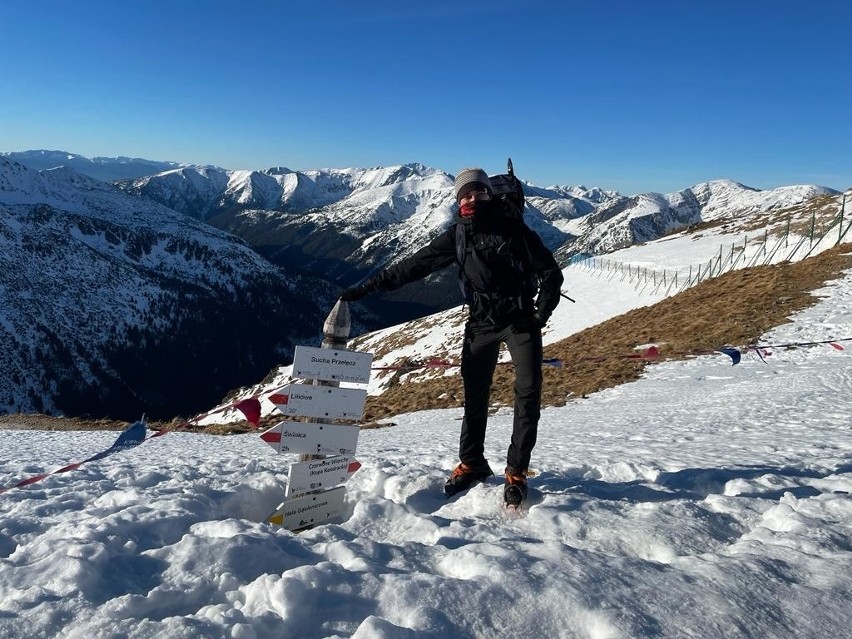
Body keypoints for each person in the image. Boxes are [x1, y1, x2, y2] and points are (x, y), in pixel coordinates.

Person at [340, 167, 564, 506]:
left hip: (520, 323)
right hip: (480, 323)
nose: (473, 198)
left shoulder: (514, 229)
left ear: (490, 194)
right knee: (475, 397)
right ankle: (472, 463)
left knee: (527, 397)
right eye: (466, 194)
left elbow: (551, 273)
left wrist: (539, 315)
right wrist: (362, 291)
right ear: (458, 199)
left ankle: (516, 471)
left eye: (480, 192)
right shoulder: (457, 235)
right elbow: (411, 268)